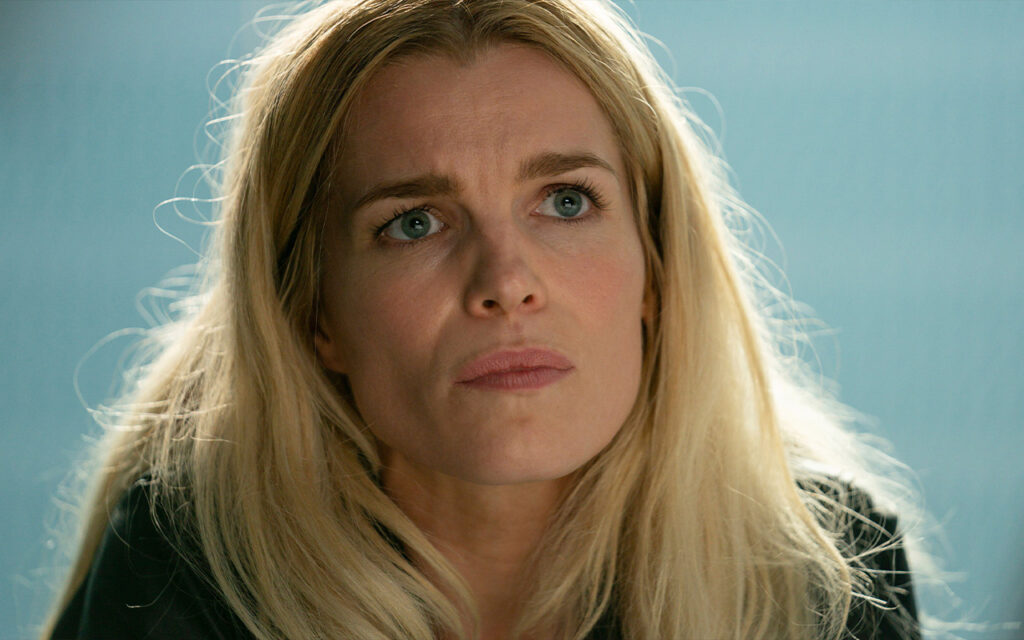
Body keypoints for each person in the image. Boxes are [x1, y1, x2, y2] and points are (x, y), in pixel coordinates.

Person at [42, 0, 923, 638]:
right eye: (414, 223)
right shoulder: (184, 574)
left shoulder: (825, 575)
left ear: (658, 267)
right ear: (312, 311)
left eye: (567, 202)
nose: (505, 283)